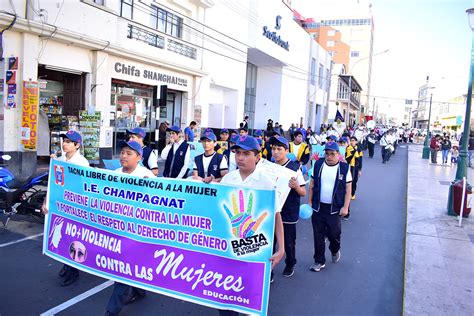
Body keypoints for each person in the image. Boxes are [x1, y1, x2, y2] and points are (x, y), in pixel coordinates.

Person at [219, 135, 285, 316]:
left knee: (251, 297)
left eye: (246, 154)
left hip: (256, 248)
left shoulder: (266, 183)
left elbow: (277, 216)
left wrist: (281, 249)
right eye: (237, 153)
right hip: (228, 248)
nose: (240, 157)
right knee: (225, 296)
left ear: (257, 157)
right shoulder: (228, 180)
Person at [106, 140, 155, 316]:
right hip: (118, 230)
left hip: (136, 234)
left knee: (122, 271)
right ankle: (139, 291)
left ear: (139, 157)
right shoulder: (116, 173)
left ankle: (111, 311)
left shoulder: (147, 176)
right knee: (128, 267)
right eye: (122, 152)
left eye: (129, 153)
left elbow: (156, 205)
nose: (123, 156)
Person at [42, 130, 89, 287]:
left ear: (77, 145)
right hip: (61, 206)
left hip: (74, 208)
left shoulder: (82, 163)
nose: (65, 144)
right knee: (60, 237)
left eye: (69, 142)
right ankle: (66, 265)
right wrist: (46, 202)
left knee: (72, 239)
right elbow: (52, 184)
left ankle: (73, 271)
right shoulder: (60, 160)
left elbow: (83, 187)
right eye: (64, 141)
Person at [308, 141, 352, 272]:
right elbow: (312, 184)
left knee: (334, 234)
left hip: (335, 208)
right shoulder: (318, 165)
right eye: (327, 154)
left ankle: (335, 249)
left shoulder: (344, 168)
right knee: (318, 235)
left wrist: (345, 207)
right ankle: (319, 261)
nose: (329, 157)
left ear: (338, 154)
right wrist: (310, 202)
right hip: (318, 207)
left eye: (332, 154)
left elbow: (348, 189)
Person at [270, 136, 306, 277]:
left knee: (289, 242)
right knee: (270, 243)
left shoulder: (294, 168)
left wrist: (296, 186)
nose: (275, 152)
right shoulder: (268, 167)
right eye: (273, 149)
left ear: (286, 150)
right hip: (271, 211)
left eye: (279, 149)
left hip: (288, 212)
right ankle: (269, 270)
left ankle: (290, 263)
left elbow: (303, 192)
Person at [346, 136, 362, 201]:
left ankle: (352, 194)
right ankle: (347, 194)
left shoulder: (359, 150)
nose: (352, 142)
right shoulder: (347, 148)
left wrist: (360, 169)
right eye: (351, 140)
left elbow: (360, 160)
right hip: (348, 166)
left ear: (356, 142)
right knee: (347, 181)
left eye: (353, 140)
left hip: (355, 167)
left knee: (354, 181)